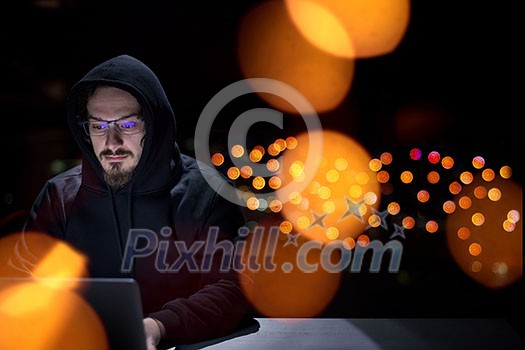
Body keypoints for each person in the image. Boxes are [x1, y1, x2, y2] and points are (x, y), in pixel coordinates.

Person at [14, 54, 251, 349]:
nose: (111, 142)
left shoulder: (206, 193)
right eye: (98, 126)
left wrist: (158, 327)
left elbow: (234, 287)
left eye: (127, 125)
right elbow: (22, 282)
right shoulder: (60, 196)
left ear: (154, 125)